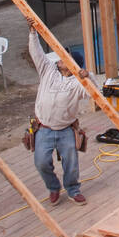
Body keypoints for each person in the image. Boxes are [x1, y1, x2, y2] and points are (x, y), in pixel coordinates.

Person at [26, 21, 90, 205]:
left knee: (71, 164)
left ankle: (73, 190)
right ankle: (54, 188)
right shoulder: (48, 70)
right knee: (41, 162)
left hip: (65, 129)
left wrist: (88, 78)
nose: (61, 58)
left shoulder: (78, 83)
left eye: (66, 57)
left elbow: (93, 92)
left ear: (73, 65)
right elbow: (36, 53)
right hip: (44, 128)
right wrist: (33, 34)